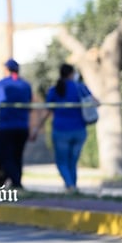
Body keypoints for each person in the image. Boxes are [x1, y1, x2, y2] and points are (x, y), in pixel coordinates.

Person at [31, 63, 97, 193]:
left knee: (62, 161)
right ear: (72, 74)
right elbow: (96, 102)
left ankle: (70, 185)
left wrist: (36, 128)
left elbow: (47, 112)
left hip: (60, 130)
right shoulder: (80, 87)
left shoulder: (54, 90)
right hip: (79, 130)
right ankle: (73, 185)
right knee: (73, 161)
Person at [0, 59, 32, 189]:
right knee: (17, 156)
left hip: (6, 127)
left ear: (6, 70)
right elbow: (30, 105)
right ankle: (16, 181)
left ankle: (16, 182)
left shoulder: (0, 85)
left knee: (6, 156)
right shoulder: (25, 85)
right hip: (23, 126)